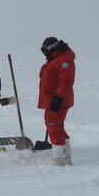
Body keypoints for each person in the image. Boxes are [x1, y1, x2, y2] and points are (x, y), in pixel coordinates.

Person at [38, 37, 76, 166]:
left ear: (52, 48)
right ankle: (66, 158)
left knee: (54, 127)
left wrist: (58, 98)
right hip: (51, 100)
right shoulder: (53, 60)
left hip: (58, 101)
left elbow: (66, 82)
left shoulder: (64, 61)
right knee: (56, 126)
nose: (44, 53)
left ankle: (59, 160)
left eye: (45, 50)